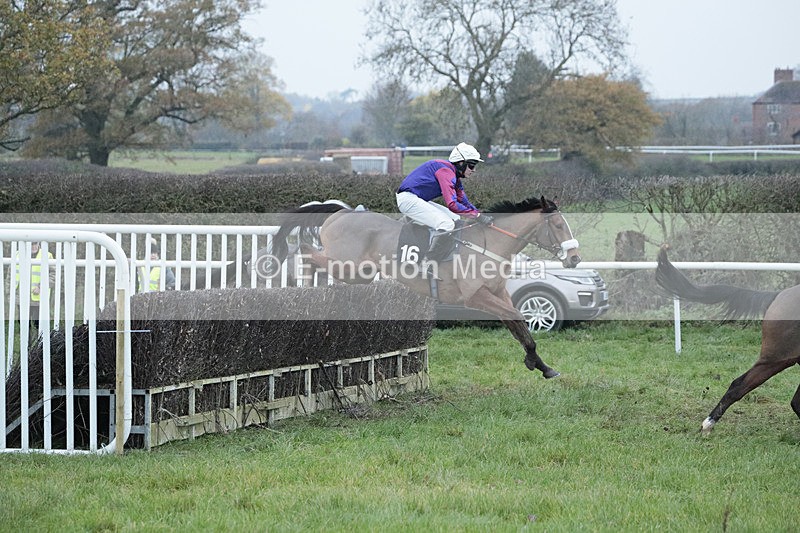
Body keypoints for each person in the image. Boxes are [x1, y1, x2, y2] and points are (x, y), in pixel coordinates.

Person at [396, 142, 494, 260]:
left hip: (416, 199)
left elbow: (463, 202)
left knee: (456, 219)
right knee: (446, 224)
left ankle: (445, 254)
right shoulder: (445, 171)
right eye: (472, 165)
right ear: (461, 163)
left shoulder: (454, 176)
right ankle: (429, 261)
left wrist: (480, 214)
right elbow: (452, 204)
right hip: (407, 199)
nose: (474, 170)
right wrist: (476, 215)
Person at [15, 241, 55, 333]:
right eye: (31, 244)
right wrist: (9, 292)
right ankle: (26, 346)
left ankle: (40, 345)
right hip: (21, 297)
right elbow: (11, 274)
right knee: (23, 324)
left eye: (35, 244)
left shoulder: (47, 255)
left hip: (39, 298)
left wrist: (41, 287)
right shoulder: (17, 254)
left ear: (39, 244)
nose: (33, 246)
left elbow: (53, 275)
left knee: (39, 324)